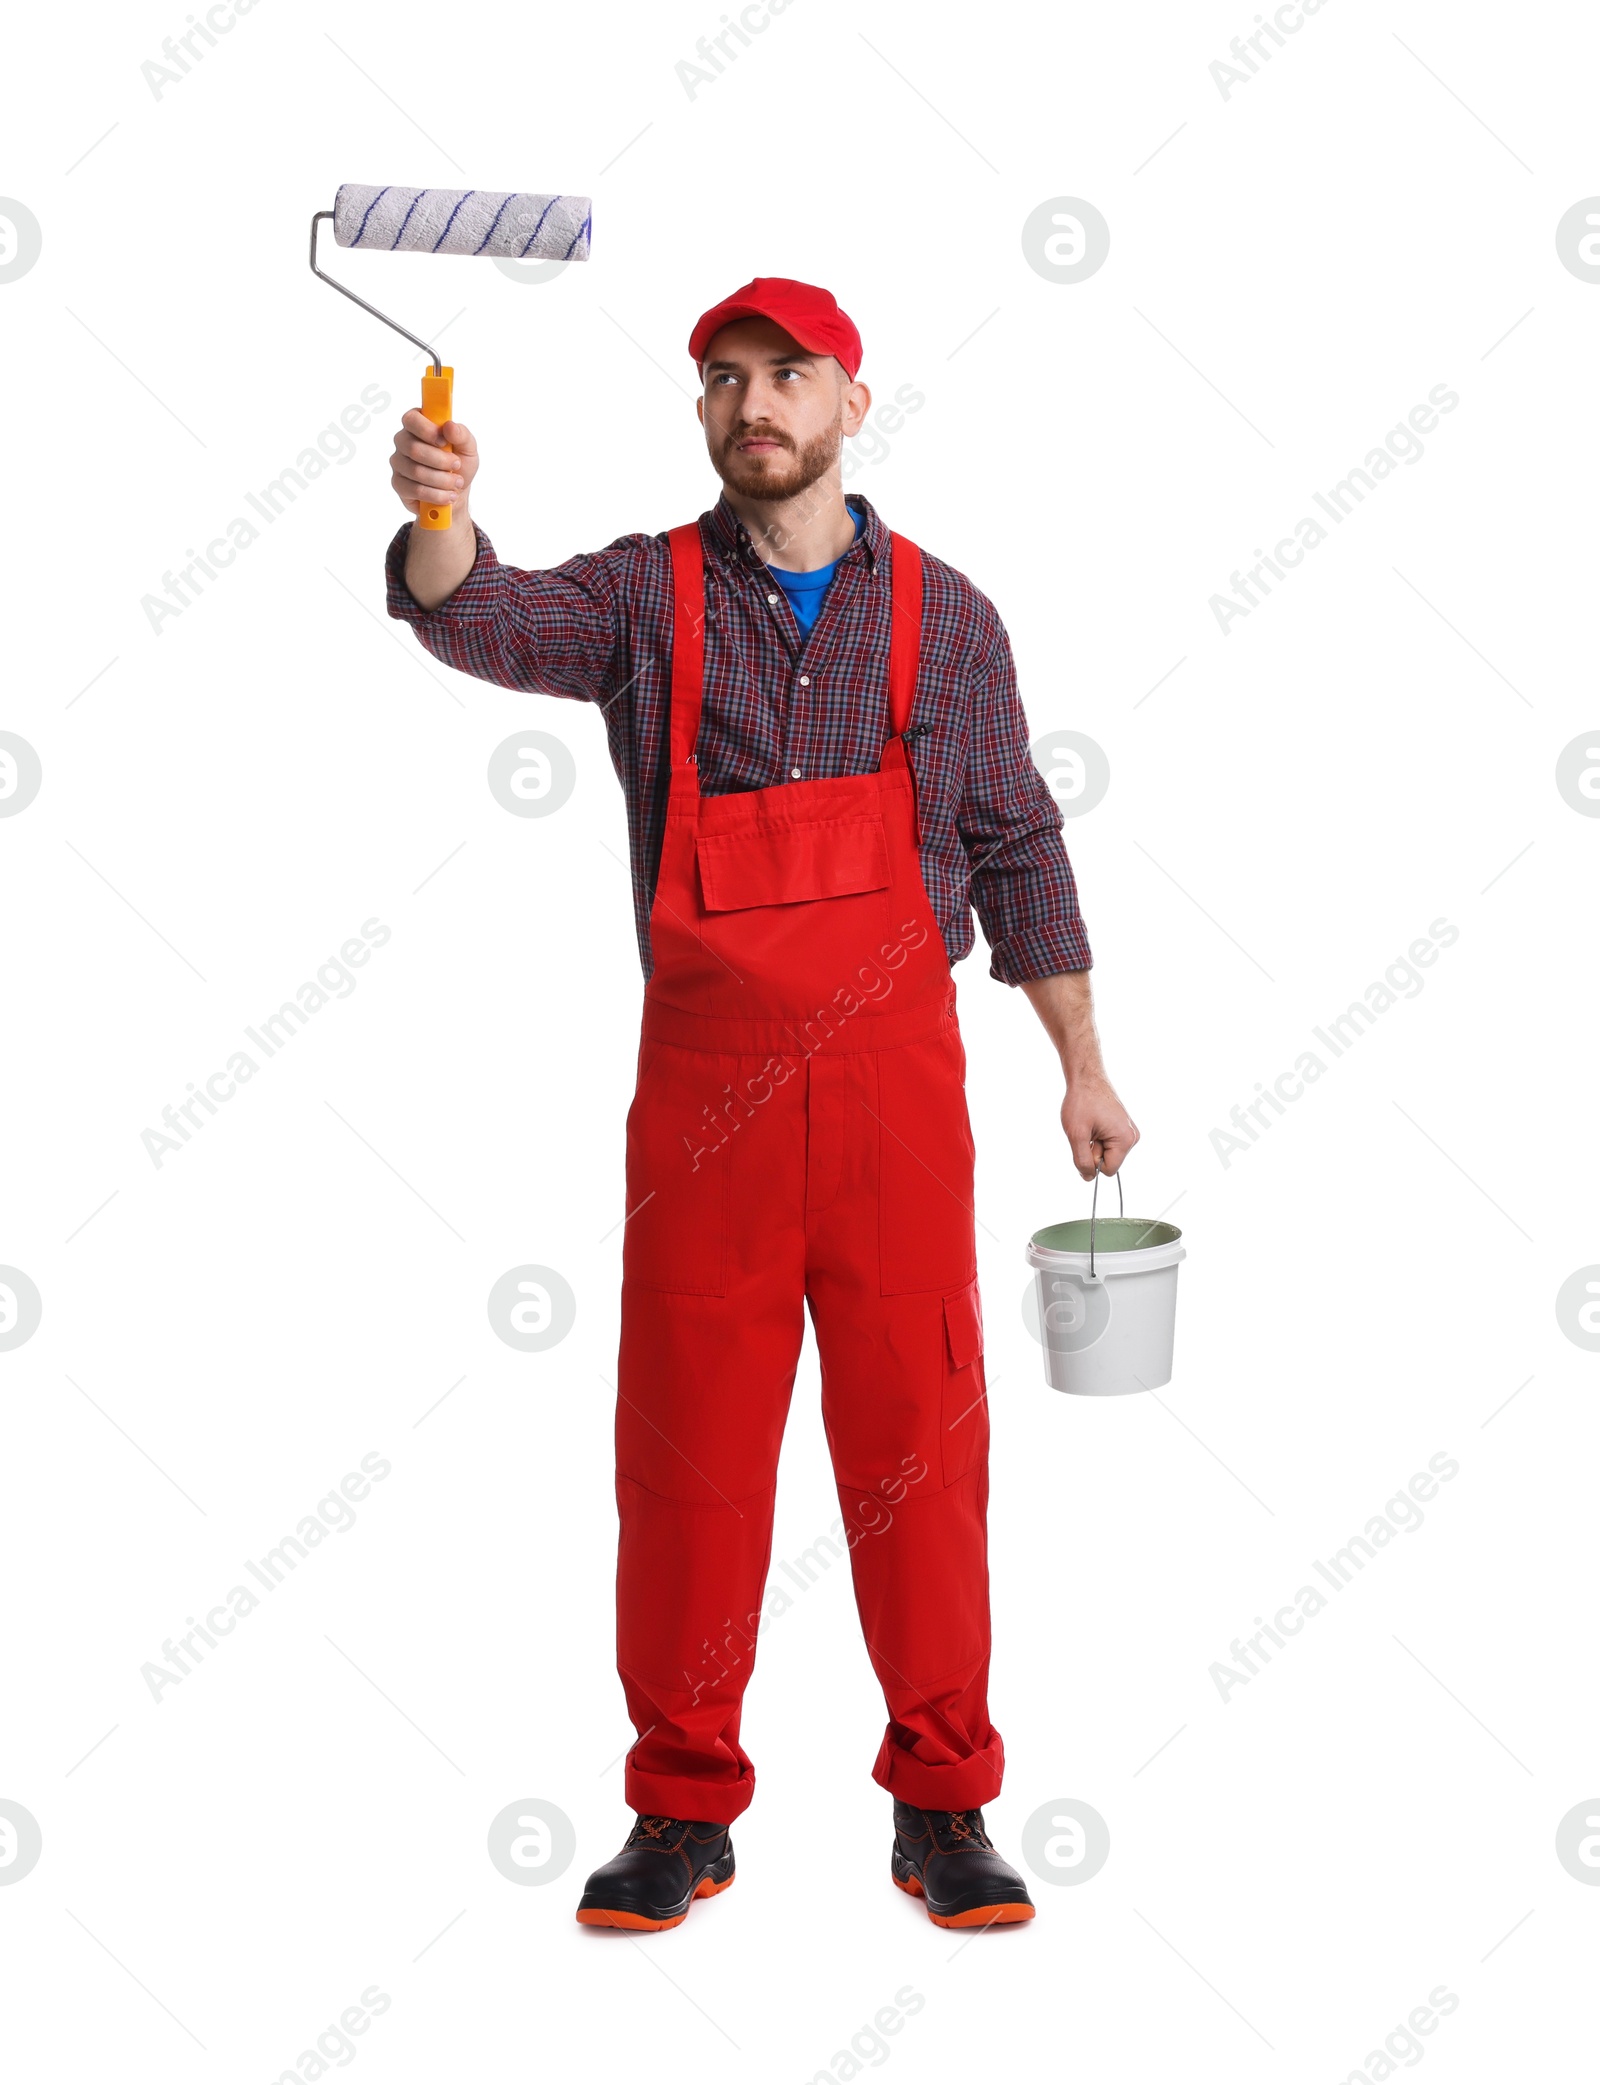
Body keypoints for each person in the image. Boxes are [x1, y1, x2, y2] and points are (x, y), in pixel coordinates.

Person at [384, 277, 1138, 1932]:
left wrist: (1080, 1065)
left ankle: (944, 1802)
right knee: (690, 1465)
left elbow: (1018, 843)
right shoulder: (646, 602)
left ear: (854, 401)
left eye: (786, 376)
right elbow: (475, 613)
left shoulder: (951, 618)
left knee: (919, 1458)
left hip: (895, 1110)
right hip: (709, 1114)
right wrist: (442, 515)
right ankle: (681, 1808)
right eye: (723, 381)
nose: (753, 407)